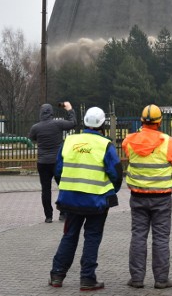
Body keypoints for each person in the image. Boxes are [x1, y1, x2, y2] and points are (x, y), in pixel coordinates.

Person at [49, 107, 123, 291]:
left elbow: (58, 170)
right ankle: (87, 278)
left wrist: (67, 187)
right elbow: (116, 173)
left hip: (70, 200)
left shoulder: (69, 141)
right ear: (102, 124)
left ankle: (57, 274)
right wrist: (112, 191)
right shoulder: (105, 145)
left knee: (69, 235)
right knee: (92, 237)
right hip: (96, 202)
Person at [123, 104, 172, 290]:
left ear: (142, 121)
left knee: (138, 236)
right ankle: (161, 280)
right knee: (161, 238)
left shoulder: (129, 141)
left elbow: (130, 155)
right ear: (159, 122)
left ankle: (137, 279)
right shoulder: (168, 142)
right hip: (162, 198)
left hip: (138, 196)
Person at [29, 101, 77, 223]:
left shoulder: (36, 127)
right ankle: (63, 213)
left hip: (42, 162)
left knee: (45, 189)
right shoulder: (58, 124)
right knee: (63, 186)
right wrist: (70, 109)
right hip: (57, 162)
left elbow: (32, 137)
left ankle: (48, 216)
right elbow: (73, 123)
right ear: (51, 113)